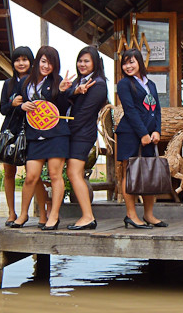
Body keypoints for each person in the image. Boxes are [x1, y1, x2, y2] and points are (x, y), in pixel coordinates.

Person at [11, 46, 73, 231]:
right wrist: (20, 107)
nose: (47, 66)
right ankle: (23, 214)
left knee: (55, 175)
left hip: (56, 134)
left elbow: (61, 109)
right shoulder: (25, 83)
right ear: (37, 61)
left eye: (51, 63)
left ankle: (54, 215)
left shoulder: (58, 81)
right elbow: (15, 105)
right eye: (44, 61)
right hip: (33, 134)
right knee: (31, 176)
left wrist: (62, 92)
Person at [115, 48, 168, 229]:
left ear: (139, 62)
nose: (128, 66)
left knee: (148, 173)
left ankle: (149, 214)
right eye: (125, 63)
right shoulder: (123, 84)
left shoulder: (151, 84)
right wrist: (143, 134)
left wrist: (157, 131)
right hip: (130, 134)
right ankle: (131, 215)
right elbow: (130, 111)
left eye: (131, 62)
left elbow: (157, 110)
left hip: (149, 136)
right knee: (130, 174)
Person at [0, 47, 47, 226]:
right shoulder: (8, 84)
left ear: (31, 62)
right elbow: (3, 109)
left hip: (30, 131)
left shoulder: (36, 82)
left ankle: (43, 214)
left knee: (33, 174)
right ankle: (12, 213)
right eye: (17, 60)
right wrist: (13, 104)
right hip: (11, 131)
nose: (21, 63)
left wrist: (22, 106)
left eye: (25, 59)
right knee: (9, 172)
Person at [65, 46, 108, 230]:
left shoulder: (98, 84)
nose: (82, 64)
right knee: (74, 173)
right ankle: (87, 215)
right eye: (80, 60)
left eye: (86, 61)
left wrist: (66, 131)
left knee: (74, 173)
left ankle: (88, 216)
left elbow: (84, 113)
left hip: (82, 134)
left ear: (95, 63)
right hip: (76, 133)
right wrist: (74, 91)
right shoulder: (79, 82)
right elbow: (64, 97)